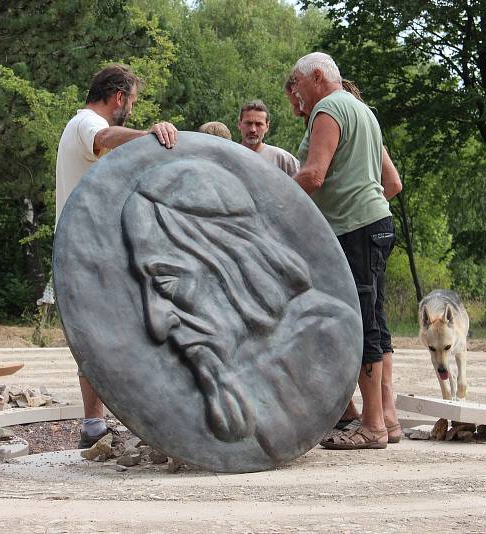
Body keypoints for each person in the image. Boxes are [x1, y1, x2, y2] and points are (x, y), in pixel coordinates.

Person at [120, 160, 362, 461]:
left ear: (235, 261)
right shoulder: (222, 367)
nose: (156, 323)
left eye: (166, 283)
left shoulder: (326, 336)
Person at [55, 63, 178, 448]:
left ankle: (97, 425)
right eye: (132, 102)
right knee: (105, 334)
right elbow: (105, 136)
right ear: (119, 97)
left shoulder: (79, 128)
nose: (133, 109)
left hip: (89, 249)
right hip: (86, 252)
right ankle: (98, 424)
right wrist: (148, 135)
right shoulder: (84, 125)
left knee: (100, 334)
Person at [290, 51, 402, 449]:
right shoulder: (362, 110)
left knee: (360, 325)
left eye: (298, 84)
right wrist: (361, 198)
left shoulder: (328, 110)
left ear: (317, 77)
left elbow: (313, 174)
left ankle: (371, 427)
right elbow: (392, 184)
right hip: (377, 225)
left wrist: (269, 198)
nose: (297, 95)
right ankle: (385, 417)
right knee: (376, 320)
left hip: (354, 232)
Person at [237, 100, 299, 177]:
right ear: (239, 124)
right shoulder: (229, 156)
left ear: (267, 126)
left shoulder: (282, 159)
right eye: (248, 123)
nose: (253, 129)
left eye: (258, 124)